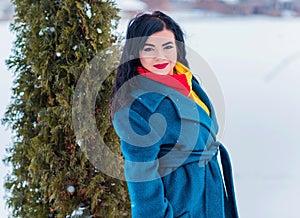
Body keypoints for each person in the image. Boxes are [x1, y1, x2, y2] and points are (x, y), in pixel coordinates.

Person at [110, 11, 239, 218]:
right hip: (180, 204)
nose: (160, 56)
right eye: (149, 48)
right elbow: (141, 175)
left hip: (209, 195)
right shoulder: (137, 106)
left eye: (167, 46)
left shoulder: (188, 82)